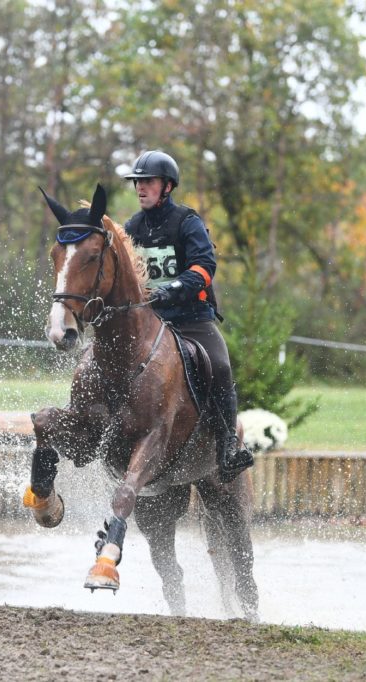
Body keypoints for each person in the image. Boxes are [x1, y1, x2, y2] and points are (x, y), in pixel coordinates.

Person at [122, 149, 254, 483]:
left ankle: (227, 450)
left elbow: (204, 266)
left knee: (220, 365)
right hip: (151, 323)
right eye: (137, 182)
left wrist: (174, 288)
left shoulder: (186, 221)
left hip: (191, 318)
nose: (140, 188)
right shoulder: (132, 227)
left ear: (167, 186)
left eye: (147, 182)